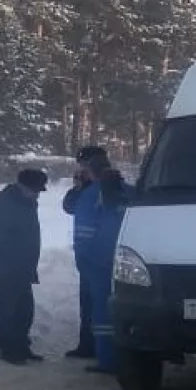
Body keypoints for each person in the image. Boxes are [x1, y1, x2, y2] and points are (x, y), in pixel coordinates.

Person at [72, 149, 128, 374]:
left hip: (99, 261)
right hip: (128, 259)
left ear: (89, 171)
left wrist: (83, 260)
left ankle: (107, 359)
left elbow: (84, 233)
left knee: (102, 313)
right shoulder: (129, 190)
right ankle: (128, 354)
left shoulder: (91, 195)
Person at [0, 167, 48, 365]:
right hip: (5, 268)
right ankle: (10, 349)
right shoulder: (9, 203)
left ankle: (22, 346)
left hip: (21, 267)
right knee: (9, 311)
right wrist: (15, 265)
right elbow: (7, 239)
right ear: (24, 187)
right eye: (35, 190)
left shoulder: (26, 202)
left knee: (25, 310)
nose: (37, 194)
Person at [61, 146, 108, 359]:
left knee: (99, 303)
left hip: (99, 254)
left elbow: (72, 206)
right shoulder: (88, 187)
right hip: (90, 256)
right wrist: (79, 187)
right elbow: (69, 206)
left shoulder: (104, 187)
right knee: (88, 302)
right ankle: (89, 345)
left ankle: (102, 348)